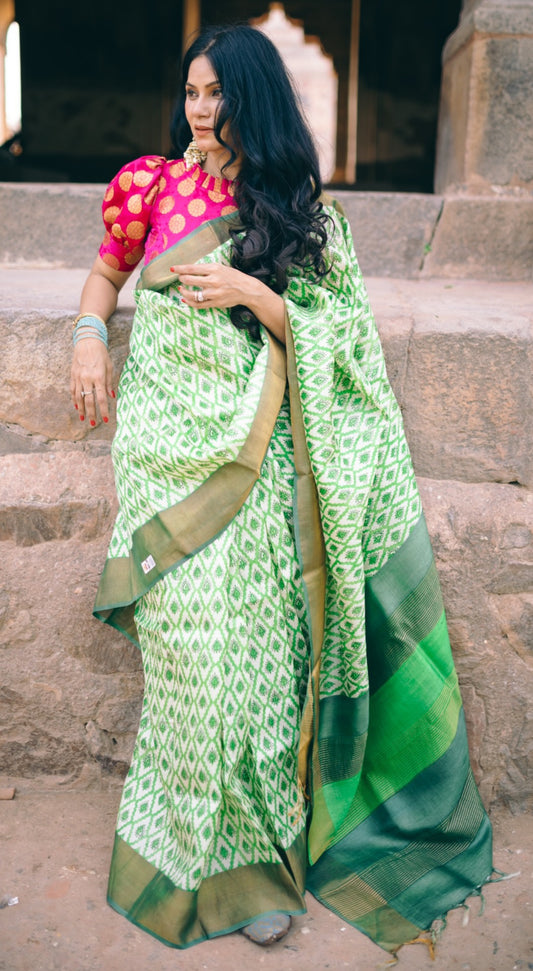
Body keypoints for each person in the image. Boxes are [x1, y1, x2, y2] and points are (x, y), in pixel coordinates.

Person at [71, 23, 494, 954]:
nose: (203, 110)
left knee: (257, 653)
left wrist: (257, 297)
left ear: (253, 100)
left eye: (219, 93)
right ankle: (179, 841)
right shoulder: (145, 183)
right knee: (189, 645)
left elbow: (341, 340)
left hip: (265, 462)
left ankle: (259, 866)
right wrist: (87, 341)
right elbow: (107, 277)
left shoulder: (304, 212)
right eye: (191, 93)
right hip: (164, 442)